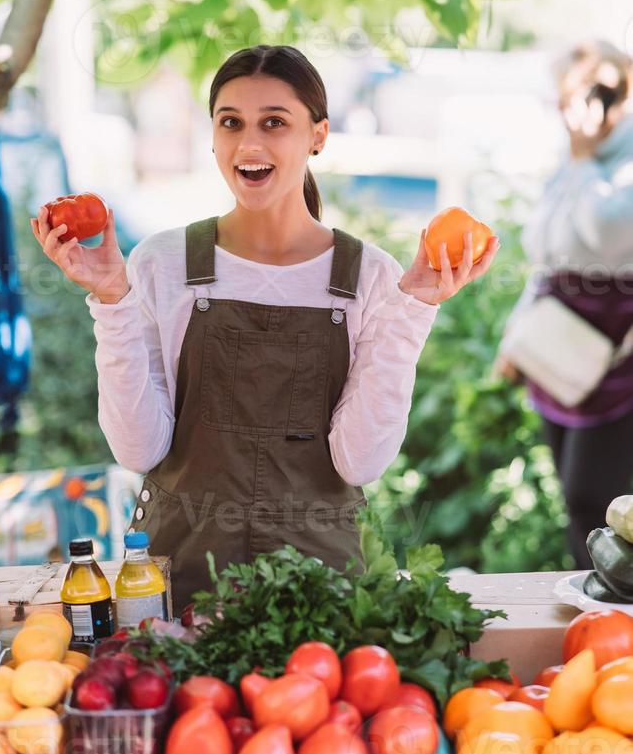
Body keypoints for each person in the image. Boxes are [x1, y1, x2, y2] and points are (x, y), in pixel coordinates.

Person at [32, 45, 499, 610]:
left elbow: (360, 462)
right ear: (212, 136)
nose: (249, 145)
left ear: (318, 135)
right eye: (231, 123)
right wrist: (111, 299)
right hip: (181, 578)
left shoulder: (371, 277)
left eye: (274, 122)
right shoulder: (162, 264)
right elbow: (140, 447)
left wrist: (416, 308)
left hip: (320, 583)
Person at [496, 41, 633, 568]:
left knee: (592, 496)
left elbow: (611, 234)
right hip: (559, 342)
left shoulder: (606, 160)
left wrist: (582, 161)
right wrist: (514, 338)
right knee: (574, 498)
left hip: (615, 354)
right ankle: (589, 597)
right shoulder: (577, 158)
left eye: (573, 96)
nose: (562, 110)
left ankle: (610, 609)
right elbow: (545, 254)